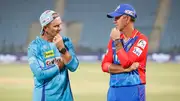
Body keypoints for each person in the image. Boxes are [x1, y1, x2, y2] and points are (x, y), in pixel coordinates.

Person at [27, 10, 79, 101]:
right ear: (46, 28)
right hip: (45, 98)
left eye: (60, 24)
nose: (60, 28)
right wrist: (59, 66)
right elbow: (40, 74)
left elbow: (74, 66)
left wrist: (62, 49)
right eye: (56, 26)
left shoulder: (66, 42)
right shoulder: (35, 47)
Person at [101, 4, 148, 101]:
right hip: (113, 90)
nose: (114, 21)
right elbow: (104, 66)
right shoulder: (114, 39)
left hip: (133, 89)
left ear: (126, 19)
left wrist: (117, 41)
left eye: (117, 17)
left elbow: (127, 62)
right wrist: (125, 70)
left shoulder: (141, 40)